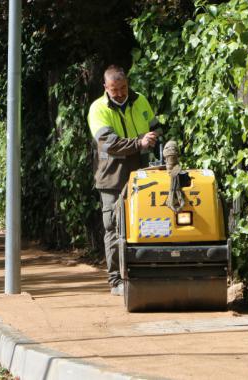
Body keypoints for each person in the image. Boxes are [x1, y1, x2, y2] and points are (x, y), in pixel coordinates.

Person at [87, 65, 160, 296]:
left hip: (141, 174)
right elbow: (109, 143)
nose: (119, 93)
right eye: (114, 89)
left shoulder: (140, 101)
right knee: (113, 226)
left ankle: (142, 272)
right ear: (105, 88)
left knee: (145, 223)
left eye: (123, 88)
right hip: (112, 177)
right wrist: (139, 143)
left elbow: (156, 128)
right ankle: (116, 280)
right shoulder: (97, 109)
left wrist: (155, 138)